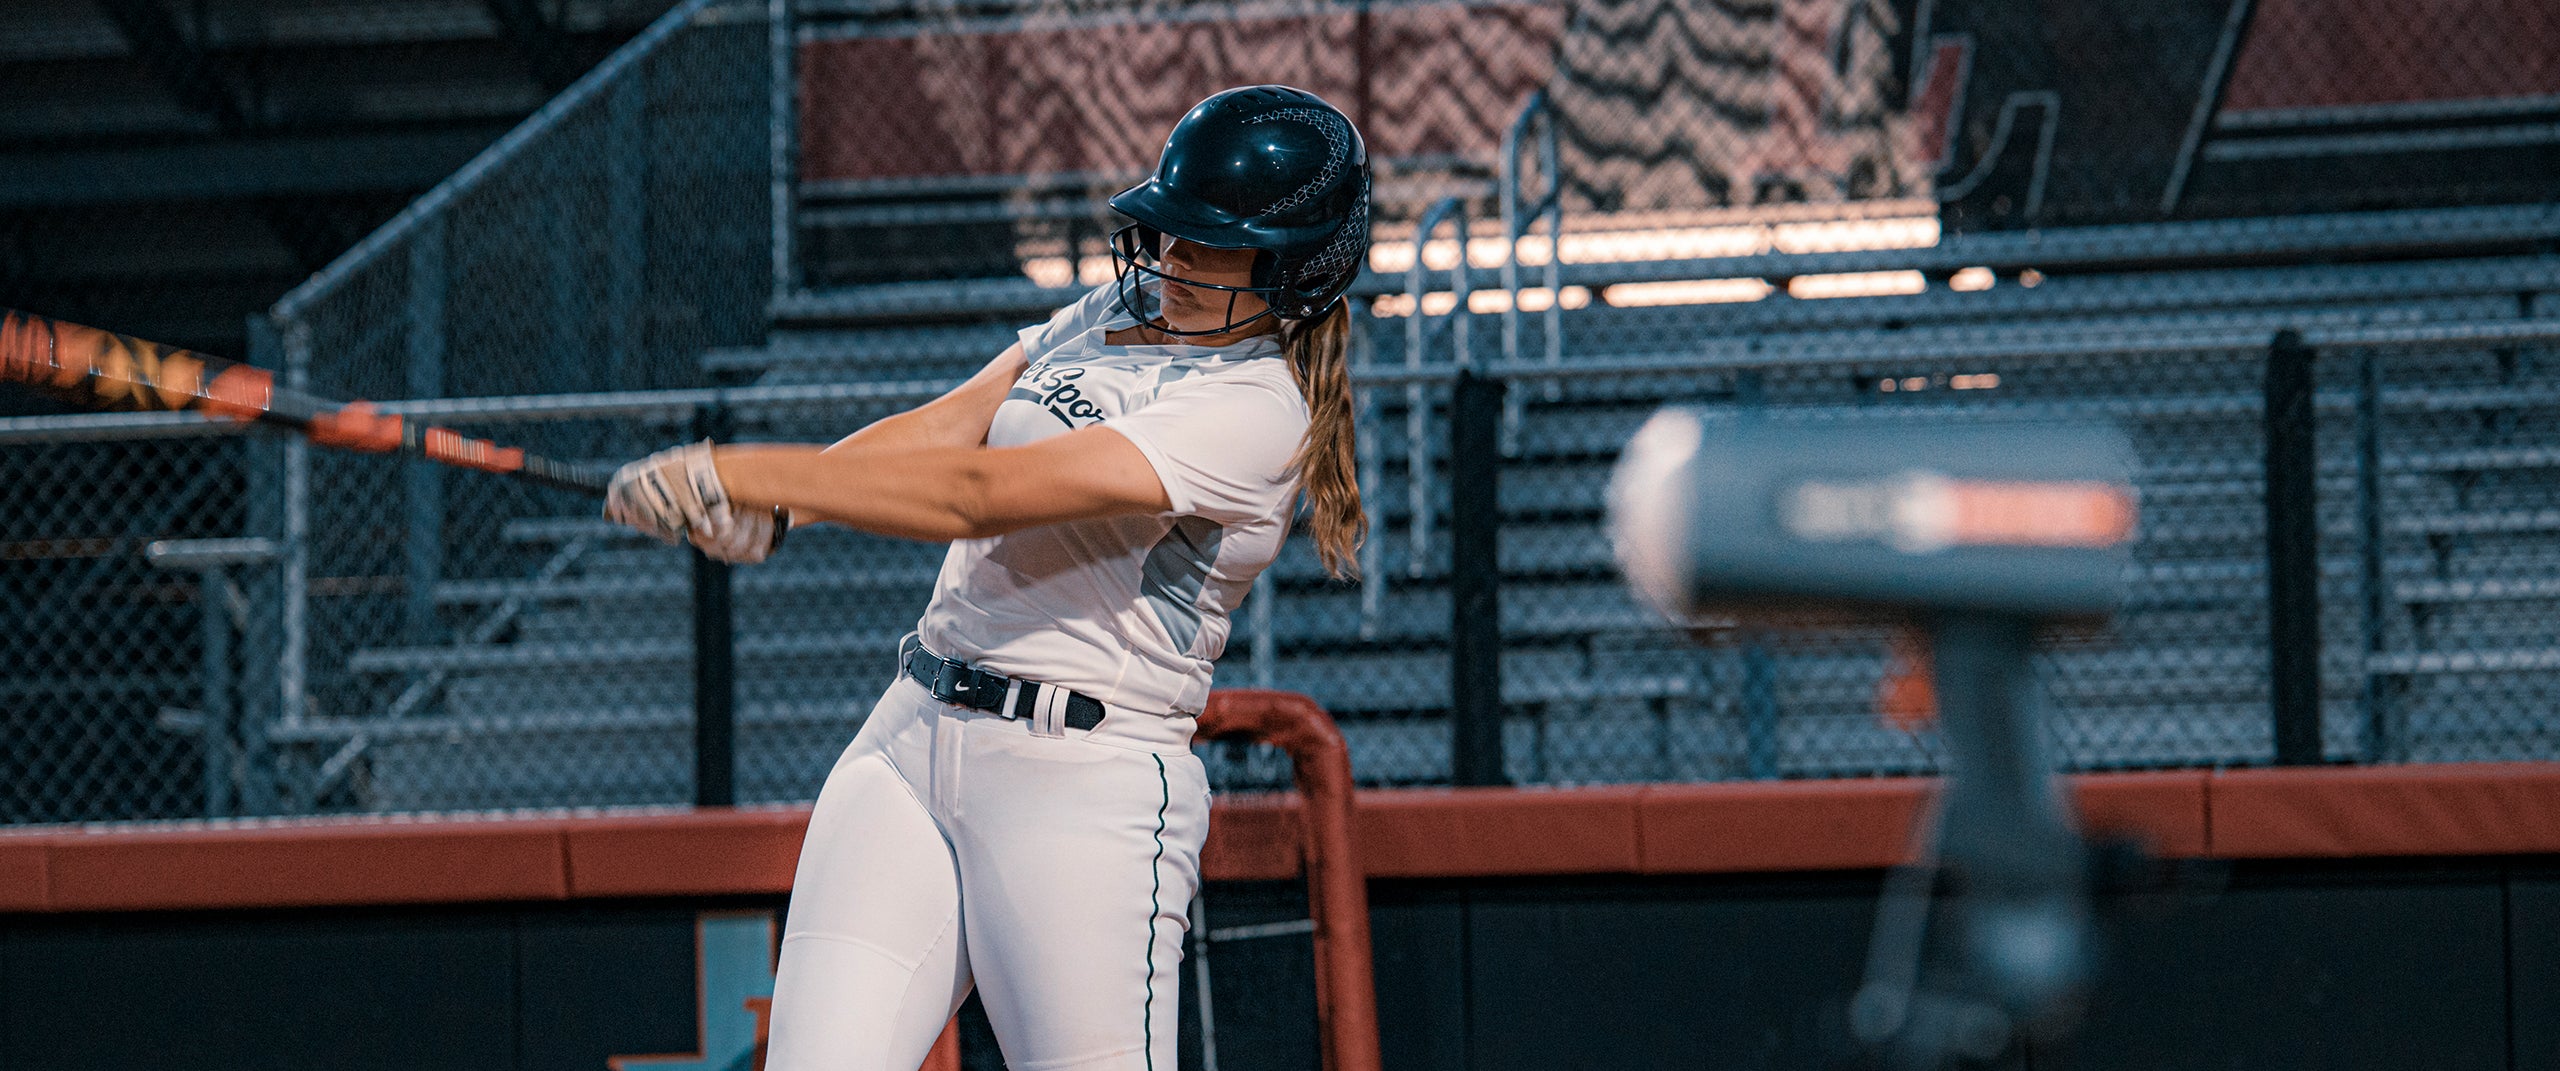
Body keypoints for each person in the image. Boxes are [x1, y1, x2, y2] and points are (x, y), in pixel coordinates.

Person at [602, 84, 1372, 1070]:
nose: (1174, 257)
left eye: (1212, 243)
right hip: (911, 737)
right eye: (1172, 230)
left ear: (1296, 268)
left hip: (1082, 785)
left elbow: (983, 494)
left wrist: (741, 470)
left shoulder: (1257, 411)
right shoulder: (1117, 311)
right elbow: (948, 429)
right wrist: (792, 509)